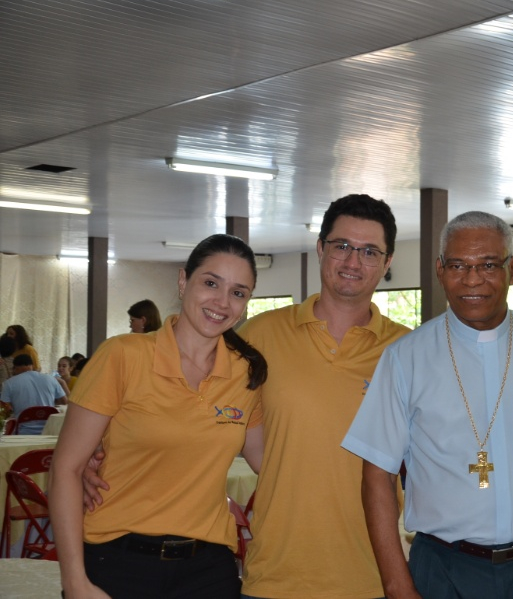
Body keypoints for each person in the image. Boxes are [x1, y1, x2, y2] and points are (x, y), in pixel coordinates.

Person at [343, 210, 513, 599]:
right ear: (439, 269)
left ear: (512, 268)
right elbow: (376, 476)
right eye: (458, 266)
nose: (472, 279)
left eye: (488, 265)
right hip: (444, 567)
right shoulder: (405, 358)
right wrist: (397, 584)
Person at [49, 234, 267, 599]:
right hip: (117, 561)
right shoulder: (123, 355)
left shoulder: (246, 374)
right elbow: (66, 469)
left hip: (208, 569)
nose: (222, 302)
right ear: (183, 281)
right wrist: (74, 581)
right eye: (211, 283)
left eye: (238, 293)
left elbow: (271, 463)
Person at [237, 194, 410, 599]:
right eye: (342, 246)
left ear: (386, 264)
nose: (353, 262)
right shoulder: (259, 336)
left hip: (371, 577)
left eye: (370, 252)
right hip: (275, 576)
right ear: (320, 249)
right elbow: (200, 417)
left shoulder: (408, 350)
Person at [0, 354, 67, 433]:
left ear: (15, 368)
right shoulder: (51, 379)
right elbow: (65, 402)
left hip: (22, 431)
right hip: (49, 430)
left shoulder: (9, 384)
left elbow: (3, 410)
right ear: (32, 365)